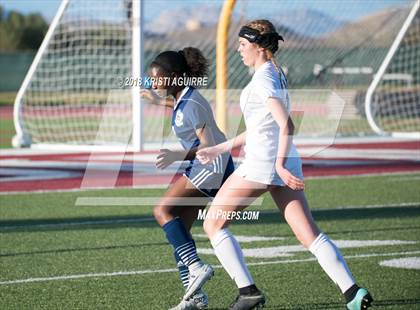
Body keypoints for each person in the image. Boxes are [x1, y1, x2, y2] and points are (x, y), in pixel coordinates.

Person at [196, 20, 373, 310]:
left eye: (242, 44)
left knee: (213, 223)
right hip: (283, 158)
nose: (238, 49)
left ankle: (248, 292)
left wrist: (277, 165)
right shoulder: (275, 73)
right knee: (310, 235)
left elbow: (286, 124)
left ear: (258, 45)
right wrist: (221, 147)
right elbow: (260, 125)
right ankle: (353, 292)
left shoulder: (264, 78)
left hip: (265, 161)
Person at [141, 47, 235, 310]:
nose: (154, 82)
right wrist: (157, 99)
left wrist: (176, 155)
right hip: (206, 166)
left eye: (158, 78)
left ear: (175, 77)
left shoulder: (192, 103)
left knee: (161, 210)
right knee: (179, 232)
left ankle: (197, 267)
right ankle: (194, 297)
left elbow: (208, 144)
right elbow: (178, 104)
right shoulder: (184, 97)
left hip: (211, 166)